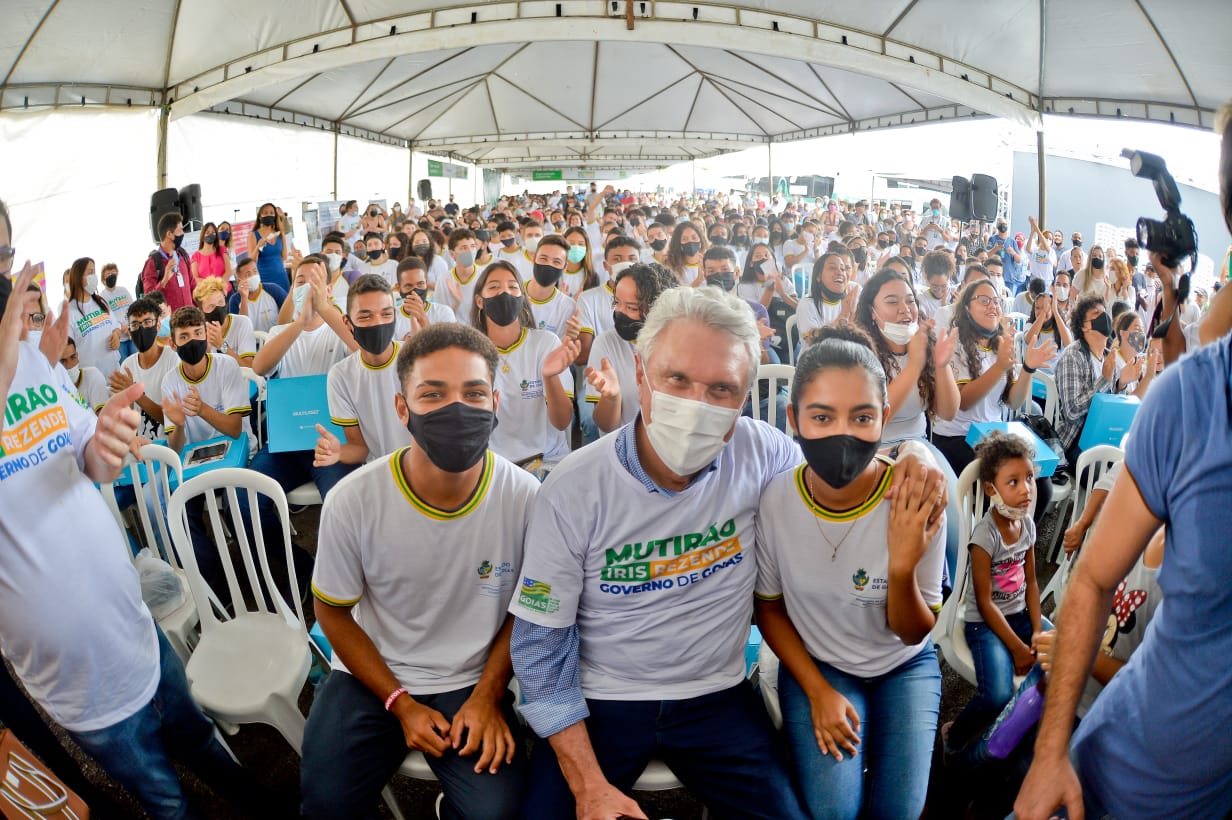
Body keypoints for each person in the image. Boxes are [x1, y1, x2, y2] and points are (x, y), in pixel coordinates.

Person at [509, 286, 948, 819]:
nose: (696, 405)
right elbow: (539, 645)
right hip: (605, 699)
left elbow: (842, 458)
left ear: (744, 398)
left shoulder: (759, 452)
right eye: (676, 380)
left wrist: (915, 454)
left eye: (722, 388)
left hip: (715, 695)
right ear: (642, 374)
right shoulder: (574, 487)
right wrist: (587, 783)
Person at [0, 260, 272, 819]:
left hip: (133, 626)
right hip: (80, 677)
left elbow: (89, 458)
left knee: (201, 743)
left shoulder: (33, 362)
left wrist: (109, 439)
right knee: (166, 800)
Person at [302, 324, 535, 819]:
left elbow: (528, 608)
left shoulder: (526, 499)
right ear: (401, 409)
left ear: (496, 402)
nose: (458, 409)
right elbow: (333, 611)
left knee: (497, 813)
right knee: (325, 806)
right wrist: (399, 702)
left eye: (473, 393)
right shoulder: (353, 500)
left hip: (471, 680)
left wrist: (489, 694)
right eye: (433, 394)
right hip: (371, 675)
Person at [755, 333, 946, 819]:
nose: (843, 433)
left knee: (899, 811)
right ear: (793, 420)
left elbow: (913, 631)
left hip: (904, 664)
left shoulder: (915, 495)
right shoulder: (775, 500)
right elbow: (770, 608)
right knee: (834, 811)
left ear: (884, 418)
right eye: (822, 417)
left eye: (862, 417)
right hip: (821, 664)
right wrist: (818, 691)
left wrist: (902, 564)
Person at [945, 432, 1048, 751]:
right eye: (1013, 482)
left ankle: (1020, 728)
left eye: (1029, 478)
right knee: (998, 694)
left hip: (1019, 616)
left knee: (1062, 652)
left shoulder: (1027, 526)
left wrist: (1034, 631)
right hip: (984, 624)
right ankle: (954, 737)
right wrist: (1018, 648)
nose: (1027, 489)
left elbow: (1031, 583)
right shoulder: (984, 536)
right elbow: (985, 603)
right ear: (992, 489)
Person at [471, 261, 577, 475]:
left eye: (512, 287)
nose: (504, 293)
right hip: (493, 464)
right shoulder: (469, 352)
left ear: (521, 298)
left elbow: (562, 421)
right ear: (480, 301)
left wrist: (549, 377)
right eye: (494, 287)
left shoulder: (546, 343)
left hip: (547, 459)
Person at [315, 273, 413, 470]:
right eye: (365, 316)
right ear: (348, 323)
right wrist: (338, 452)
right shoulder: (341, 376)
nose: (378, 323)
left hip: (423, 469)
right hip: (378, 472)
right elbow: (359, 448)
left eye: (386, 314)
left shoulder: (418, 359)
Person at [584, 262, 677, 434]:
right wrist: (611, 398)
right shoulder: (606, 343)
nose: (619, 312)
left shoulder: (678, 345)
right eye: (617, 302)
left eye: (631, 307)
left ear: (659, 309)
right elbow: (606, 426)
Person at [1053, 295, 1144, 465]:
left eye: (1105, 312)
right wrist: (1105, 380)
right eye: (1097, 314)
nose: (1104, 317)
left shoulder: (1109, 356)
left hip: (1106, 437)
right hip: (1076, 445)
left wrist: (1120, 384)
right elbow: (1072, 412)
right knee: (1113, 474)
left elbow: (1112, 407)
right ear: (1084, 326)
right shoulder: (1073, 357)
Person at [109, 296, 178, 440]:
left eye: (147, 322)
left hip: (169, 447)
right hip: (142, 449)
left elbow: (173, 419)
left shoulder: (172, 359)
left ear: (158, 325)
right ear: (129, 329)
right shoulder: (127, 365)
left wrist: (135, 394)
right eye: (135, 324)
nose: (141, 328)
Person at [65, 256, 123, 375]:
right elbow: (68, 351)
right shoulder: (68, 312)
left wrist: (116, 336)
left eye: (94, 272)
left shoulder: (101, 302)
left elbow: (116, 327)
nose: (94, 277)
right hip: (92, 381)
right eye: (90, 273)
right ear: (78, 277)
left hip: (115, 374)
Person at [796, 251, 859, 346]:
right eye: (832, 268)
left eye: (843, 269)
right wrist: (844, 315)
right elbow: (815, 343)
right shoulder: (807, 305)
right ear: (818, 277)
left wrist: (853, 314)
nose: (840, 272)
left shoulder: (848, 302)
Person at [523, 235, 579, 338]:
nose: (549, 265)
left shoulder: (568, 308)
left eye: (556, 262)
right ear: (533, 258)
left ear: (565, 267)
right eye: (543, 259)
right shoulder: (513, 294)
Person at [193, 278, 256, 367]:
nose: (218, 308)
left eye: (220, 302)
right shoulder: (199, 333)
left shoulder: (242, 323)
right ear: (201, 311)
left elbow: (249, 366)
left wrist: (222, 345)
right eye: (211, 306)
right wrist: (205, 350)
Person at [141, 211, 196, 311]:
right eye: (180, 230)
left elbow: (193, 285)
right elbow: (148, 301)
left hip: (190, 319)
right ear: (169, 234)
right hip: (169, 324)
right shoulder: (152, 263)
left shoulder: (184, 255)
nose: (183, 233)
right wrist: (164, 280)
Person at [393, 256, 457, 340]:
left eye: (420, 284)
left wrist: (422, 318)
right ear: (398, 288)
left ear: (426, 283)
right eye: (408, 286)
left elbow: (450, 348)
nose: (415, 292)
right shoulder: (392, 318)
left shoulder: (443, 312)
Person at [229, 256, 285, 333]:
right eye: (248, 274)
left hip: (276, 338)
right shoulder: (235, 300)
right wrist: (244, 298)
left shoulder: (274, 290)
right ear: (239, 281)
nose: (253, 276)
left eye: (255, 272)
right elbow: (239, 329)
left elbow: (290, 313)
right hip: (252, 343)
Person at [1020, 289, 1071, 373]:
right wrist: (1043, 313)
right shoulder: (1029, 325)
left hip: (1055, 376)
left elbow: (1069, 344)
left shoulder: (1060, 328)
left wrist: (1055, 312)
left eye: (1046, 307)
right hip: (1035, 374)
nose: (1040, 311)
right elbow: (1029, 340)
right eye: (1037, 308)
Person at [247, 202, 289, 293]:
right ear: (260, 216)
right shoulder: (253, 235)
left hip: (282, 278)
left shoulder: (279, 233)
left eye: (271, 213)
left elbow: (284, 257)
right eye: (265, 213)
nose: (268, 215)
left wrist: (283, 222)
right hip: (264, 279)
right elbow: (251, 261)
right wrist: (258, 247)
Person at [59, 337, 109, 413]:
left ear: (77, 356)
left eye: (73, 357)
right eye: (62, 361)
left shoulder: (92, 375)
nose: (70, 365)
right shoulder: (53, 389)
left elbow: (103, 416)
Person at [99, 262, 135, 359]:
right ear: (103, 279)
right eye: (108, 274)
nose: (111, 276)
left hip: (132, 333)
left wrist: (129, 325)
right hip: (119, 339)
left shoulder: (123, 290)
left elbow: (133, 308)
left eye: (114, 273)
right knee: (123, 365)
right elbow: (106, 319)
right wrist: (120, 327)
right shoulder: (102, 297)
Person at [664, 220, 707, 285]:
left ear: (700, 239)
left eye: (694, 237)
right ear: (679, 244)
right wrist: (698, 280)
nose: (690, 241)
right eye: (684, 239)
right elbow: (676, 293)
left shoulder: (709, 260)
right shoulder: (671, 265)